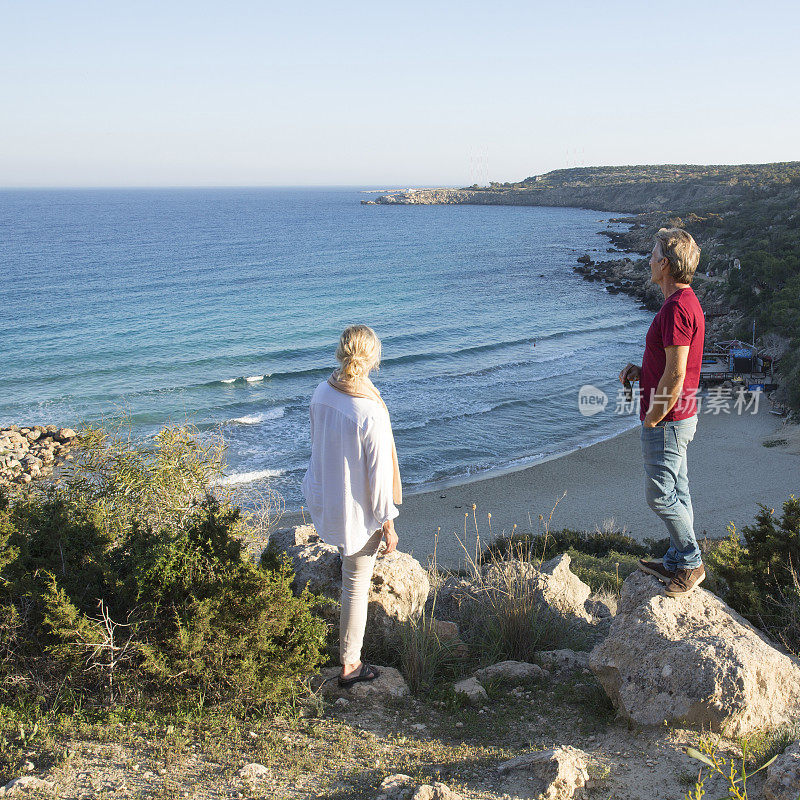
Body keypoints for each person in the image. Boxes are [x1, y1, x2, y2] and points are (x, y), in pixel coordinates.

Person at [301, 324, 402, 686]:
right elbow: (378, 481)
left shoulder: (321, 391)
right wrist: (388, 525)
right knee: (355, 586)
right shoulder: (369, 411)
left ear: (341, 352)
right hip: (356, 514)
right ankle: (350, 665)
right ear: (373, 357)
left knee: (350, 576)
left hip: (326, 499)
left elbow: (318, 444)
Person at [619, 228, 706, 597]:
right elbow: (667, 365)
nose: (649, 260)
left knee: (659, 495)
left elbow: (675, 372)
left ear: (666, 264)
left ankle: (690, 560)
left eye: (654, 255)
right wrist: (642, 372)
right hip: (679, 415)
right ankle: (675, 558)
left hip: (668, 420)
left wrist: (654, 417)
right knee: (678, 490)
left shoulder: (675, 309)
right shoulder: (684, 302)